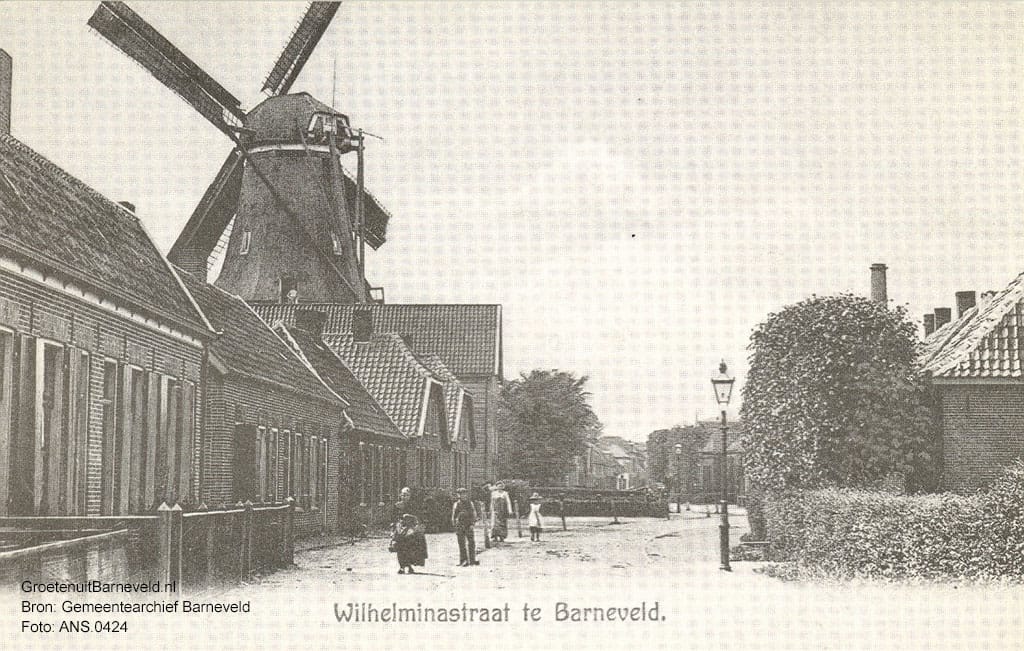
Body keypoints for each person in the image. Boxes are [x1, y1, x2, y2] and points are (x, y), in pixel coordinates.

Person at [451, 487, 479, 566]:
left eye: (464, 494)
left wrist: (473, 524)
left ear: (466, 495)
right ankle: (463, 560)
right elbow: (454, 514)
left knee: (471, 543)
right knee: (461, 543)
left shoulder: (470, 503)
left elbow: (474, 514)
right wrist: (454, 523)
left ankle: (472, 560)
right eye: (460, 494)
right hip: (460, 525)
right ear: (458, 495)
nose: (463, 496)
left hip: (468, 524)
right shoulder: (456, 504)